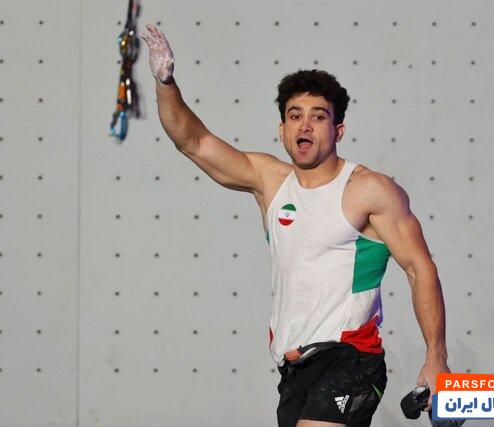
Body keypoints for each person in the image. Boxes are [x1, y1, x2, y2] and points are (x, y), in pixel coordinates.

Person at [140, 23, 450, 427]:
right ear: (282, 130)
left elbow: (419, 268)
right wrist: (165, 82)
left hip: (352, 360)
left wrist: (436, 358)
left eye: (318, 117)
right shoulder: (270, 182)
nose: (305, 126)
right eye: (295, 116)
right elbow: (192, 141)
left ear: (338, 130)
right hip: (293, 369)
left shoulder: (370, 190)